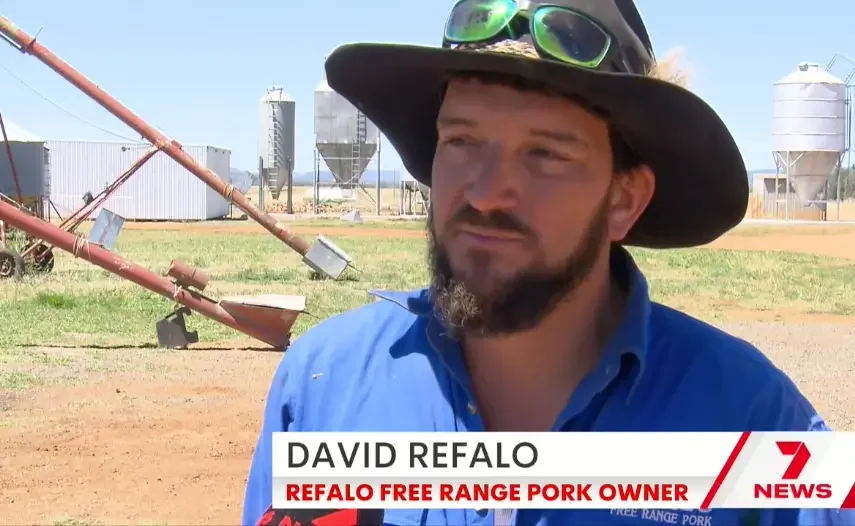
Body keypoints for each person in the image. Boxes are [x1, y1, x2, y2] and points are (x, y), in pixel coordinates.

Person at [243, 1, 853, 524]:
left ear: (623, 200)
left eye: (545, 153)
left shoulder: (749, 419)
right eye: (460, 141)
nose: (484, 193)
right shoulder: (326, 385)